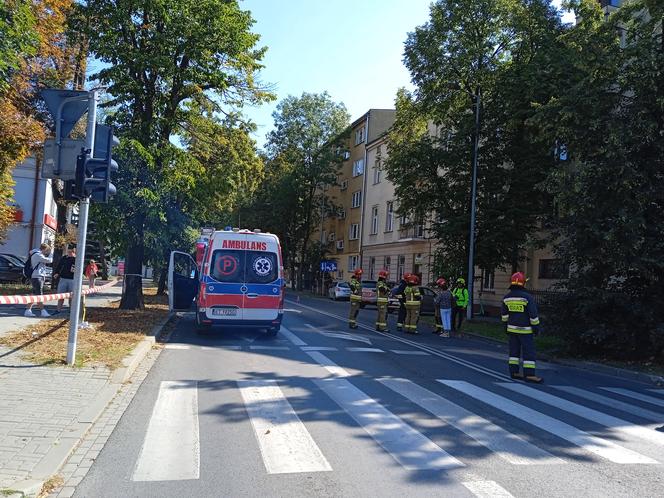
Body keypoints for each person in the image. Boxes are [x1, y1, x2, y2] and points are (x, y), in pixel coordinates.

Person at [501, 272, 543, 383]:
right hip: (525, 331)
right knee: (528, 352)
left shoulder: (506, 298)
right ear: (523, 283)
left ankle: (514, 372)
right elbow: (533, 315)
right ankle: (529, 375)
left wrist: (505, 327)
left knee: (514, 353)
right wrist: (536, 328)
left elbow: (504, 316)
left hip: (511, 330)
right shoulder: (527, 297)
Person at [24, 243, 53, 317]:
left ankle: (28, 310)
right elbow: (49, 260)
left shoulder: (37, 254)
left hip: (38, 276)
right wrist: (51, 253)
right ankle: (43, 311)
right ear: (44, 249)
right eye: (46, 251)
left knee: (34, 294)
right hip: (37, 276)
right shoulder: (37, 255)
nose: (46, 253)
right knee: (39, 294)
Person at [53, 247, 76, 314]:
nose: (68, 253)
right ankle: (58, 310)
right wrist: (57, 273)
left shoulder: (77, 259)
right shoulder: (64, 258)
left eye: (70, 252)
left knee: (71, 296)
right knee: (61, 295)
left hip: (72, 280)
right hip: (63, 279)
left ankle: (71, 310)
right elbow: (59, 266)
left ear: (74, 252)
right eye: (68, 252)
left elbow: (81, 269)